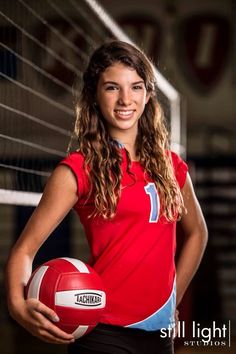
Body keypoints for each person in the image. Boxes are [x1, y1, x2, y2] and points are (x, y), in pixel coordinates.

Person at [5, 40, 208, 354]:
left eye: (136, 87)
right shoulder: (77, 169)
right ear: (95, 96)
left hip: (160, 334)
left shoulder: (172, 166)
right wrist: (18, 307)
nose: (126, 99)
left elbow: (198, 233)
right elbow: (24, 250)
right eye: (112, 87)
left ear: (148, 94)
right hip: (102, 332)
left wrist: (173, 296)